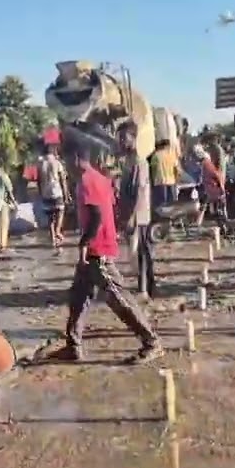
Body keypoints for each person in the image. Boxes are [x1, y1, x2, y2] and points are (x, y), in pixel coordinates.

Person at [46, 141, 163, 364]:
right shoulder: (97, 179)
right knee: (78, 296)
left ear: (77, 158)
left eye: (66, 159)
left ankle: (151, 341)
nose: (65, 164)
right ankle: (74, 345)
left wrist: (83, 243)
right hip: (94, 249)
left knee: (119, 299)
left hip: (98, 251)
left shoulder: (88, 181)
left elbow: (97, 216)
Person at [116, 121, 156, 299]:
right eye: (120, 138)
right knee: (143, 251)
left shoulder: (139, 162)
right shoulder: (128, 162)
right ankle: (148, 286)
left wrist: (131, 216)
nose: (121, 142)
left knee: (140, 252)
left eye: (124, 138)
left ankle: (144, 289)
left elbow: (139, 191)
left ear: (134, 138)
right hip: (133, 214)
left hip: (139, 214)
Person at [37, 142, 69, 247]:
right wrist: (66, 194)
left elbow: (38, 180)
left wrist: (40, 192)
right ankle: (58, 230)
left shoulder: (41, 164)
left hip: (46, 192)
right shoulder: (57, 162)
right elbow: (63, 180)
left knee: (50, 217)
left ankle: (52, 238)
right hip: (56, 191)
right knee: (60, 210)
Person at [149, 138, 181, 209]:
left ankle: (161, 218)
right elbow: (177, 169)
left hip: (159, 182)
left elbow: (152, 169)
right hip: (171, 182)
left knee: (160, 205)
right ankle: (170, 219)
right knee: (171, 204)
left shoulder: (155, 156)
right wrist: (177, 180)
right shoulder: (172, 155)